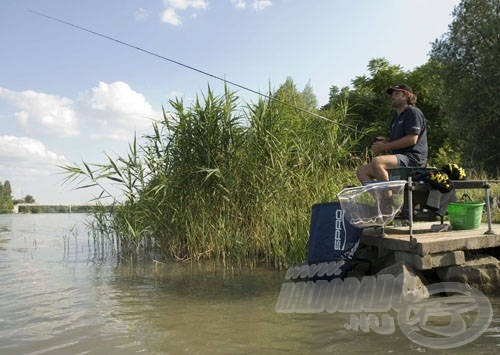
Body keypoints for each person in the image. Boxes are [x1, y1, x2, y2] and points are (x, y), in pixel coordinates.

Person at [356, 84, 428, 184]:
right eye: (392, 94)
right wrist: (386, 141)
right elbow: (398, 140)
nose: (393, 97)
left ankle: (388, 199)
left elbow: (412, 139)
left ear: (407, 96)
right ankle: (380, 198)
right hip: (400, 159)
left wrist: (385, 146)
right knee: (362, 171)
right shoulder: (395, 119)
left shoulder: (413, 112)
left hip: (413, 159)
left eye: (397, 94)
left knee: (378, 162)